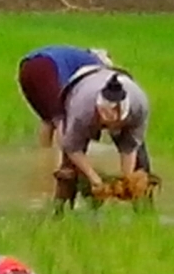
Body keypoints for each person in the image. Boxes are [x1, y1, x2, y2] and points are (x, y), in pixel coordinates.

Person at [55, 68, 151, 204]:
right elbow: (72, 147)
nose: (106, 119)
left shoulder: (139, 107)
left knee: (140, 166)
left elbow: (130, 146)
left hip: (119, 84)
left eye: (111, 116)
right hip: (79, 87)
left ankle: (145, 210)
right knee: (68, 170)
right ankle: (60, 208)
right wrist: (94, 179)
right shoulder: (82, 110)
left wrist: (126, 179)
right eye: (103, 114)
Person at [17, 45, 115, 147]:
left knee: (48, 119)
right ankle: (66, 158)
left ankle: (45, 155)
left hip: (26, 68)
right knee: (63, 119)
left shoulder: (79, 57)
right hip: (46, 66)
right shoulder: (96, 65)